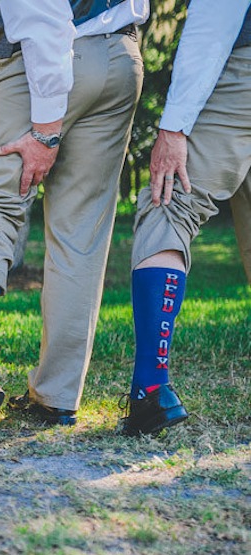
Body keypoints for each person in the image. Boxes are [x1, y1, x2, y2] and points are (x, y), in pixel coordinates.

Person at [0, 0, 147, 433]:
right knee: (81, 234)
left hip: (42, 56)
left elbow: (41, 11)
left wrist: (46, 128)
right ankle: (56, 397)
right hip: (120, 57)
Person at [121, 0, 251, 436]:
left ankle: (151, 390)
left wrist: (174, 126)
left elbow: (215, 15)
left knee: (169, 205)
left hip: (241, 71)